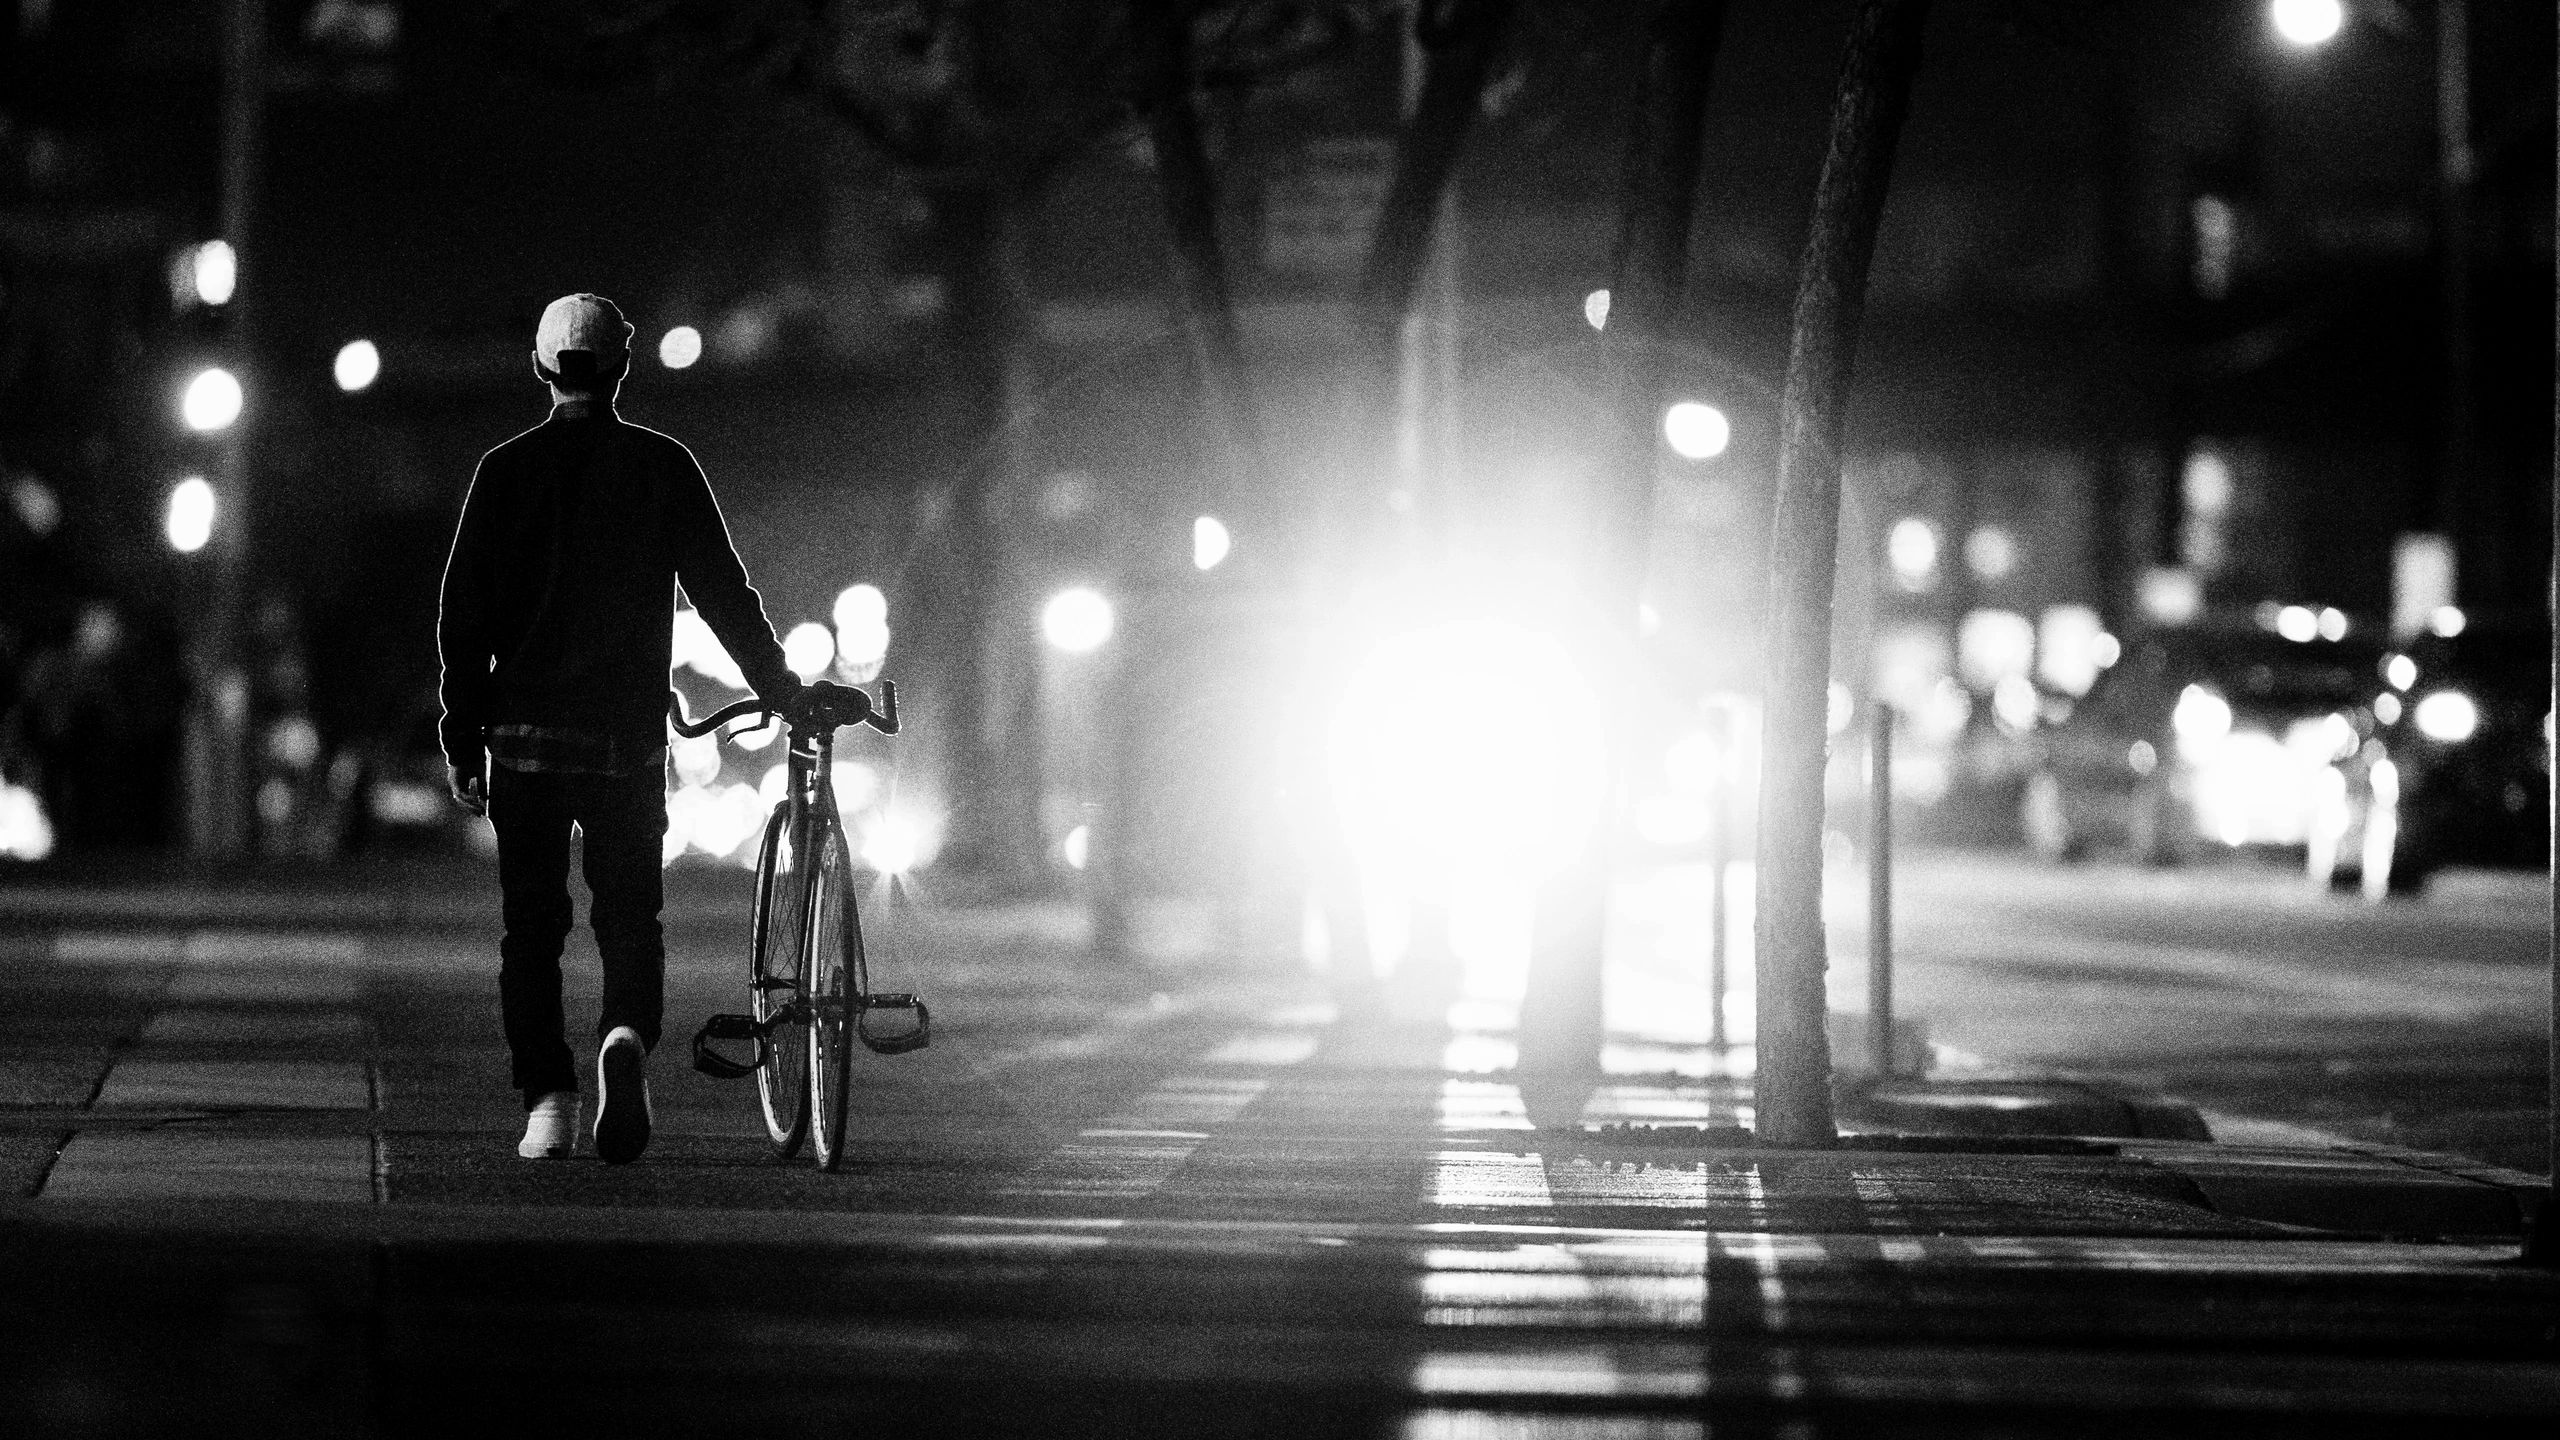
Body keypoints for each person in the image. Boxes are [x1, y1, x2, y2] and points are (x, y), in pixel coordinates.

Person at [438, 293, 802, 1164]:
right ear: (622, 368)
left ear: (542, 370)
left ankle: (549, 1105)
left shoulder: (503, 471)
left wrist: (464, 734)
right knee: (630, 918)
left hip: (522, 742)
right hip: (624, 744)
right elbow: (723, 592)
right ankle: (626, 1035)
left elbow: (464, 616)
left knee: (531, 929)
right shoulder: (664, 467)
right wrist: (780, 686)